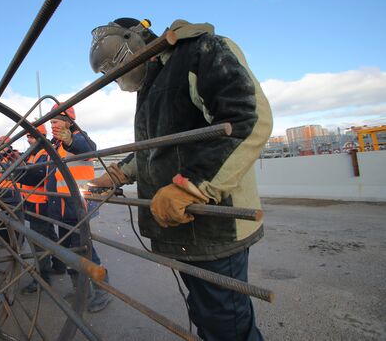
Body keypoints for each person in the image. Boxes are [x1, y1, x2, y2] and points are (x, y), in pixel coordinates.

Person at [88, 18, 273, 340]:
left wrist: (192, 184)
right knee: (206, 312)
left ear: (134, 41)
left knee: (226, 324)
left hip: (214, 223)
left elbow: (247, 120)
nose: (114, 77)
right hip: (182, 224)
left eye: (113, 66)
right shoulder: (154, 81)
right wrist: (120, 173)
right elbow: (158, 145)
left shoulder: (201, 50)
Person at [46, 104, 111, 313]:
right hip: (61, 208)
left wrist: (70, 139)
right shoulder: (56, 145)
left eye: (55, 121)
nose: (52, 125)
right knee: (69, 251)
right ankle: (80, 290)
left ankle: (102, 292)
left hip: (77, 207)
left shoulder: (78, 138)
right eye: (51, 122)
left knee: (85, 251)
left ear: (68, 120)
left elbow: (89, 148)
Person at [18, 123, 62, 294]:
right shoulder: (33, 155)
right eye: (27, 137)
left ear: (39, 136)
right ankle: (59, 265)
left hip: (40, 204)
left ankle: (43, 278)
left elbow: (38, 176)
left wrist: (17, 172)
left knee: (38, 242)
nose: (28, 139)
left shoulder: (45, 154)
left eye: (31, 136)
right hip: (33, 202)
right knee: (49, 235)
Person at [0, 135, 22, 244]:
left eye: (2, 144)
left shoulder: (14, 156)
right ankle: (6, 241)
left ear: (8, 145)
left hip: (12, 193)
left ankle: (18, 243)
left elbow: (17, 171)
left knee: (15, 219)